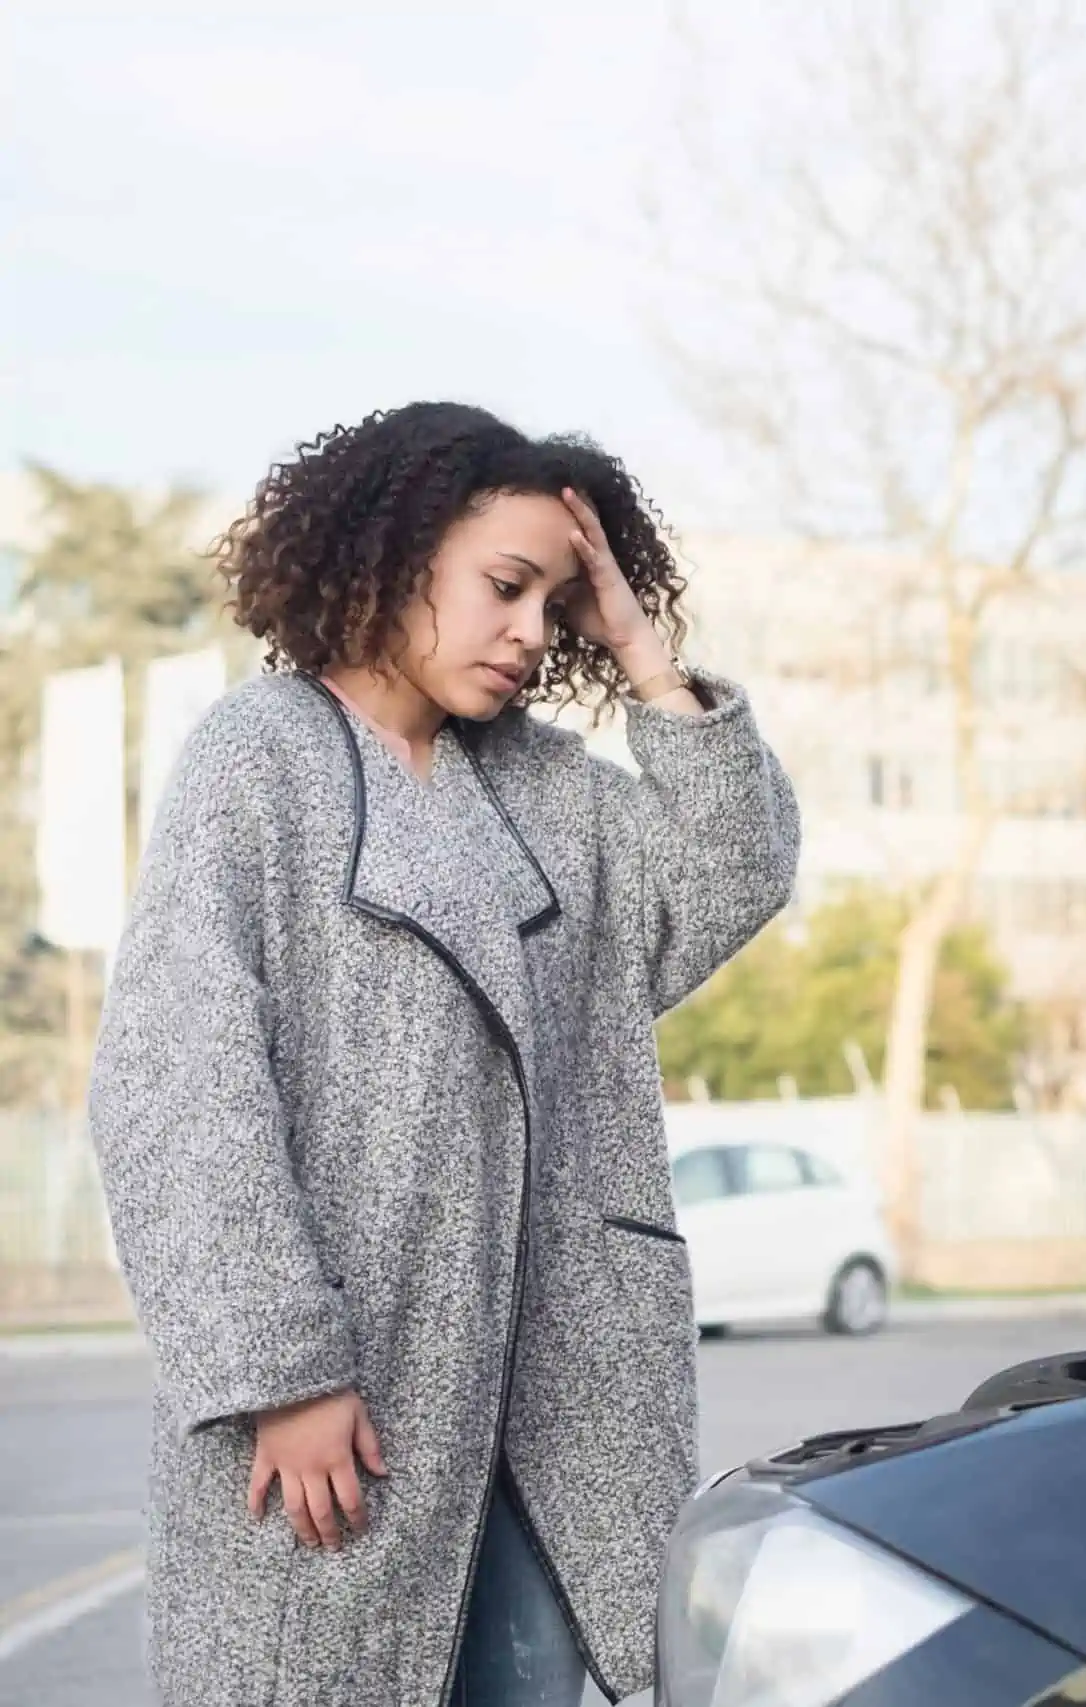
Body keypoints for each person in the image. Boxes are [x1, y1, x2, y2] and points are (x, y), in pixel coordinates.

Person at [88, 401, 800, 1707]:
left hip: (551, 1418)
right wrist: (281, 1366)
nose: (532, 632)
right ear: (392, 551)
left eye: (557, 601)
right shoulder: (260, 761)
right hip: (342, 1406)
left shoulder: (547, 790)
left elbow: (731, 872)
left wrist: (643, 653)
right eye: (505, 586)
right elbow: (174, 1076)